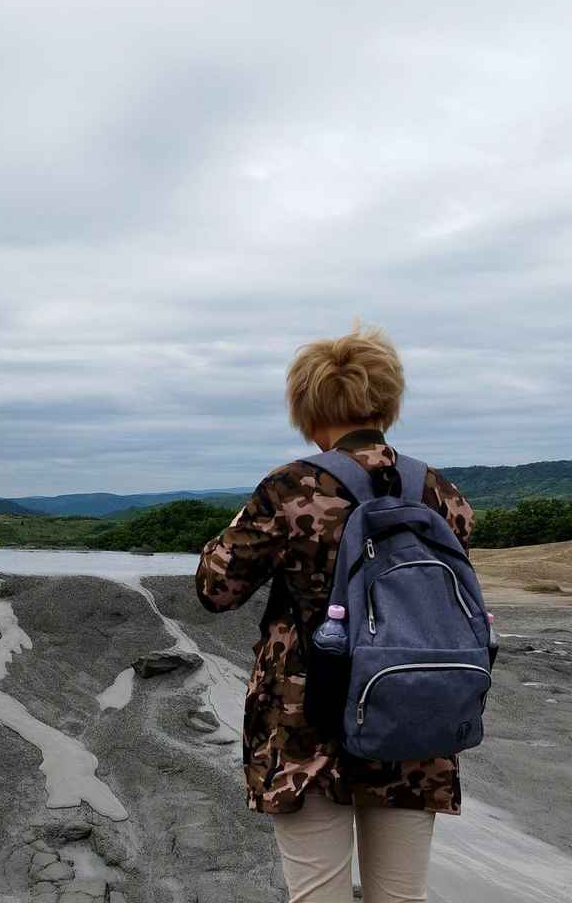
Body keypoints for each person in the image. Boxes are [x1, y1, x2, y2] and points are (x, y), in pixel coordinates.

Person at [196, 326, 474, 903]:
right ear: (388, 401)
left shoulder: (291, 487)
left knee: (317, 894)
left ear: (307, 404)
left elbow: (215, 591)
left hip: (307, 722)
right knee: (402, 897)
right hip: (414, 713)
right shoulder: (439, 492)